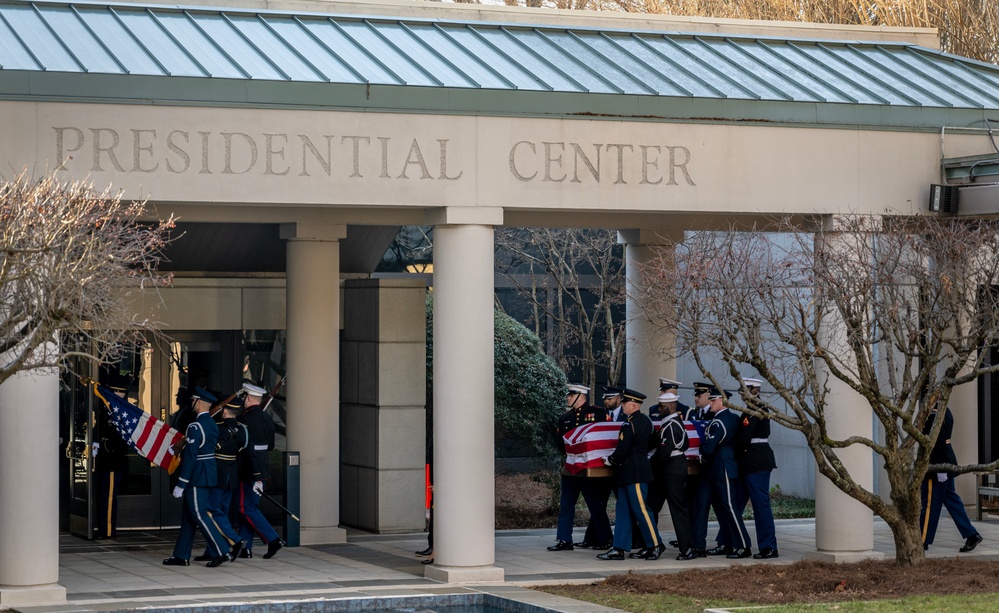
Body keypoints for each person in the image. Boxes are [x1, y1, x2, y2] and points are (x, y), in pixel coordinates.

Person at [163, 387, 235, 568]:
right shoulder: (211, 423)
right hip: (208, 472)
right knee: (188, 517)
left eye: (194, 400)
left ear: (199, 402)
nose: (191, 402)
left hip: (197, 475)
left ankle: (221, 551)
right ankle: (181, 555)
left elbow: (191, 457)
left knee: (200, 514)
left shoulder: (196, 426)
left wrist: (181, 483)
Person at [597, 389, 664, 561]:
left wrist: (611, 460)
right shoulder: (647, 422)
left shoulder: (629, 424)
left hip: (633, 473)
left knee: (641, 510)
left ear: (632, 405)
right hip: (632, 471)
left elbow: (623, 449)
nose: (622, 406)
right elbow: (655, 442)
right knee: (623, 510)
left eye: (624, 403)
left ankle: (655, 545)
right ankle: (618, 548)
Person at [547, 384, 612, 552]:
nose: (568, 398)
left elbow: (605, 435)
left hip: (588, 467)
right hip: (570, 465)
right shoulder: (565, 418)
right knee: (566, 503)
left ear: (580, 396)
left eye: (571, 395)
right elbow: (561, 442)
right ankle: (564, 539)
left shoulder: (597, 413)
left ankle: (605, 538)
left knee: (594, 504)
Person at [920, 403, 983, 553]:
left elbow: (937, 442)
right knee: (952, 500)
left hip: (937, 464)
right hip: (946, 461)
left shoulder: (934, 414)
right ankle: (971, 534)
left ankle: (922, 539)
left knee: (929, 504)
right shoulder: (944, 410)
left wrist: (940, 469)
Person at [699, 385, 753, 559]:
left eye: (713, 400)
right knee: (724, 510)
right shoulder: (733, 418)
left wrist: (701, 455)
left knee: (730, 508)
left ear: (722, 401)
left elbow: (709, 448)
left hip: (722, 468)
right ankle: (728, 543)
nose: (711, 403)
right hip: (720, 468)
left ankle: (743, 546)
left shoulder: (720, 421)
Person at [194, 396, 248, 563]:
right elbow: (245, 449)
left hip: (218, 474)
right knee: (221, 512)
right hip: (232, 475)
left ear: (224, 411)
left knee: (212, 512)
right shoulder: (243, 430)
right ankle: (212, 550)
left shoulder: (217, 428)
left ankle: (236, 541)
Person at [237, 382, 286, 559]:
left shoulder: (244, 419)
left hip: (250, 468)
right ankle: (246, 547)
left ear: (248, 398)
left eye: (244, 397)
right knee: (251, 506)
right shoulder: (267, 418)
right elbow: (271, 445)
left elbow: (241, 446)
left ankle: (273, 539)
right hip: (263, 466)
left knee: (245, 507)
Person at [646, 391, 697, 560]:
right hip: (667, 470)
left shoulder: (672, 425)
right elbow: (685, 444)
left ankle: (687, 548)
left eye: (662, 406)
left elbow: (665, 453)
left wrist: (649, 462)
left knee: (678, 509)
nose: (659, 409)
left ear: (672, 406)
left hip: (672, 471)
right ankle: (651, 544)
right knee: (651, 507)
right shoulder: (672, 423)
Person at [735, 378, 779, 559]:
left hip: (756, 461)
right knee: (734, 504)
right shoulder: (751, 409)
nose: (741, 394)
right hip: (749, 461)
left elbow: (744, 438)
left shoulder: (754, 410)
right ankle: (730, 542)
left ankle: (769, 546)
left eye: (744, 390)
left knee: (760, 506)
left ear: (754, 390)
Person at [93, 381, 129, 539]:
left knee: (108, 499)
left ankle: (107, 531)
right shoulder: (110, 411)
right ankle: (103, 528)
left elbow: (116, 441)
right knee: (103, 496)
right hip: (106, 462)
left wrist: (101, 445)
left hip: (113, 462)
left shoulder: (121, 412)